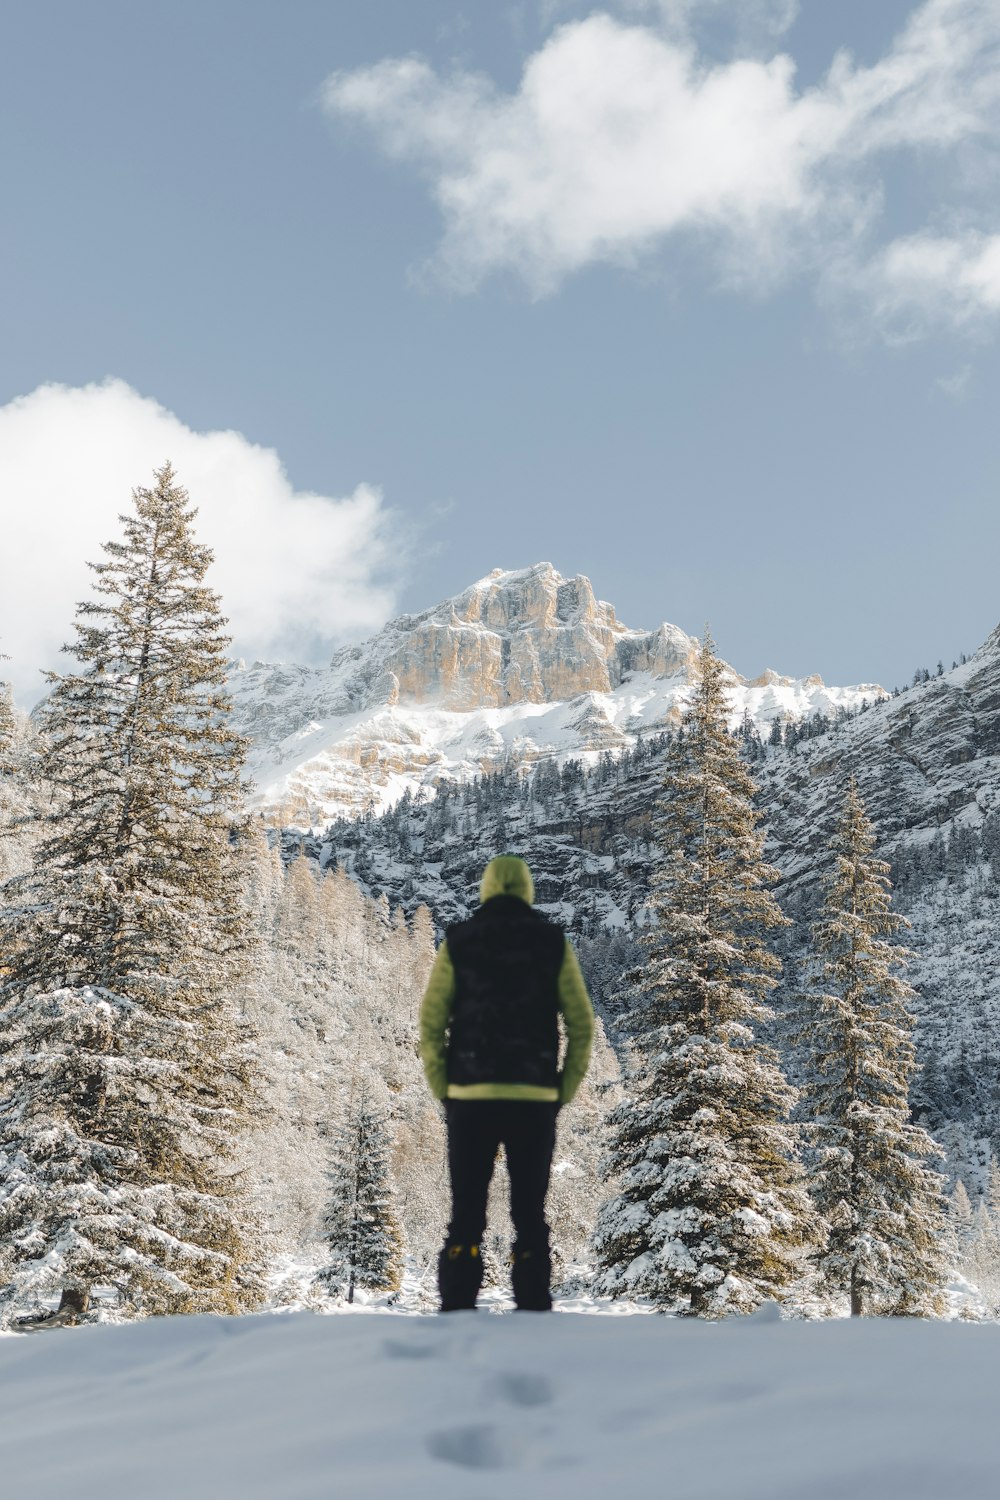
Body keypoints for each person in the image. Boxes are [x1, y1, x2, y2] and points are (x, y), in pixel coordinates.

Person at [419, 854, 595, 1312]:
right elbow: (580, 1023)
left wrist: (446, 1088)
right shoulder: (552, 942)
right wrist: (562, 1090)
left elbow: (431, 1022)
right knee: (530, 1215)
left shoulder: (458, 942)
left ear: (486, 888)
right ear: (528, 889)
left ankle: (458, 1308)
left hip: (470, 1098)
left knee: (466, 1216)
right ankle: (533, 1306)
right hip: (534, 1098)